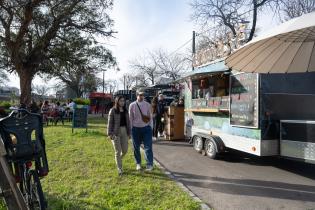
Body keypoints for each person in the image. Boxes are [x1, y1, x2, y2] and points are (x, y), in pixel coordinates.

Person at [129, 89, 154, 171]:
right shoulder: (132, 105)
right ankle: (138, 163)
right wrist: (131, 129)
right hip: (135, 129)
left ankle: (149, 164)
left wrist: (151, 127)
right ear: (137, 95)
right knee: (136, 147)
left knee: (148, 147)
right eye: (140, 95)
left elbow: (150, 117)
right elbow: (130, 118)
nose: (142, 96)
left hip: (146, 129)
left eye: (143, 95)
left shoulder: (147, 105)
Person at [107, 96, 131, 176]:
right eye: (121, 101)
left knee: (125, 150)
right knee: (118, 151)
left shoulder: (125, 111)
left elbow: (128, 123)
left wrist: (129, 133)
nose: (122, 102)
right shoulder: (113, 110)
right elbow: (109, 123)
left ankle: (118, 160)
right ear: (117, 101)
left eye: (123, 101)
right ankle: (120, 168)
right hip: (115, 132)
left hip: (124, 130)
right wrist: (110, 134)